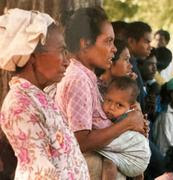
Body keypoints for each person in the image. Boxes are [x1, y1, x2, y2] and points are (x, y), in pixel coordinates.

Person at [55, 7, 146, 179]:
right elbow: (81, 141)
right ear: (85, 43)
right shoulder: (78, 78)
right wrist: (126, 124)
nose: (113, 49)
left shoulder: (86, 76)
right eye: (108, 41)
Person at [0, 9, 89, 179]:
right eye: (61, 51)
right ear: (32, 55)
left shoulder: (37, 97)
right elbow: (40, 173)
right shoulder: (20, 105)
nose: (67, 60)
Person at [98, 77, 151, 177]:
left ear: (130, 107)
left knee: (109, 163)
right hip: (134, 161)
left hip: (134, 159)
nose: (111, 107)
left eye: (119, 105)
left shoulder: (128, 117)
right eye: (109, 100)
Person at [126, 21, 152, 112]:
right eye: (146, 42)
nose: (150, 47)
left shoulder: (134, 63)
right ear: (131, 41)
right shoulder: (125, 67)